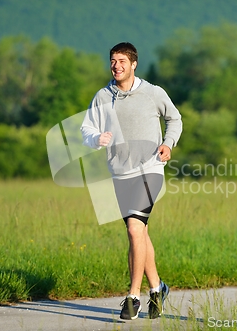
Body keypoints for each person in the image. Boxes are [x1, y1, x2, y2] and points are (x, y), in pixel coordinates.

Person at [80, 42, 182, 320]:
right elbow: (86, 128)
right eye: (113, 61)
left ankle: (133, 296)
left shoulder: (152, 93)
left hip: (150, 169)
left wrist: (168, 143)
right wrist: (95, 139)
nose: (116, 66)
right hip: (120, 173)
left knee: (135, 230)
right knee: (141, 232)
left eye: (122, 61)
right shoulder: (103, 96)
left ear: (134, 64)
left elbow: (175, 119)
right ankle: (158, 289)